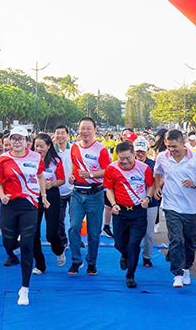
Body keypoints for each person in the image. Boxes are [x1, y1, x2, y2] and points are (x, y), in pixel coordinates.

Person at [0, 126, 49, 306]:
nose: (17, 142)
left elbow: (40, 176)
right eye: (14, 138)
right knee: (8, 243)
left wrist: (44, 196)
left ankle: (24, 289)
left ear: (27, 141)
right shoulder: (2, 159)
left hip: (30, 205)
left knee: (27, 244)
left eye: (21, 138)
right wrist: (2, 196)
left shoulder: (35, 157)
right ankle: (14, 242)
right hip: (9, 204)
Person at [154, 129, 196, 288]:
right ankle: (178, 273)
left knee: (190, 241)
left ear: (183, 142)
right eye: (168, 147)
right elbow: (157, 173)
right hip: (170, 205)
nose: (172, 150)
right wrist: (156, 187)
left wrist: (194, 184)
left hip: (191, 207)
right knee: (176, 239)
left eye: (174, 146)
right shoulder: (162, 157)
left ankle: (187, 268)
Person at [104, 141, 154, 288]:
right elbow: (109, 189)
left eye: (128, 158)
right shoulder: (111, 169)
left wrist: (147, 198)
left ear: (134, 154)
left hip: (138, 212)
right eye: (121, 159)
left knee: (134, 244)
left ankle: (130, 275)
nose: (125, 162)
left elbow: (150, 186)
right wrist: (113, 204)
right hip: (120, 211)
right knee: (119, 244)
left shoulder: (144, 168)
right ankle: (124, 255)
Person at [68, 117, 111, 275]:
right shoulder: (74, 147)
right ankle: (75, 260)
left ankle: (91, 262)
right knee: (73, 228)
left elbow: (108, 170)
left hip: (95, 194)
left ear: (94, 130)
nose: (84, 131)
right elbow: (74, 163)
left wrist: (90, 174)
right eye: (82, 128)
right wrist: (71, 175)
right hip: (77, 194)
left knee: (94, 232)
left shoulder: (101, 149)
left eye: (88, 128)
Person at [31, 133, 66, 274]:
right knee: (33, 233)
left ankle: (59, 250)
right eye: (36, 146)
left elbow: (62, 180)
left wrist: (52, 183)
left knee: (51, 234)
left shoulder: (56, 161)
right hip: (34, 195)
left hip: (51, 195)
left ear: (49, 146)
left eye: (42, 146)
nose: (38, 149)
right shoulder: (30, 159)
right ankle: (40, 264)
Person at [135, 138, 159, 268]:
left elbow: (160, 179)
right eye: (137, 151)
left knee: (149, 232)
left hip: (150, 201)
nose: (140, 154)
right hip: (133, 201)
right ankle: (130, 254)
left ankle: (146, 257)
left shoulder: (153, 164)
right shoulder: (129, 163)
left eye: (142, 151)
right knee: (133, 231)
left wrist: (156, 187)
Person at [53, 125, 73, 250]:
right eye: (57, 133)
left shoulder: (74, 149)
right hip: (57, 190)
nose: (60, 136)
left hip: (73, 189)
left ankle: (74, 240)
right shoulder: (51, 151)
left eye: (62, 133)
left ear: (67, 135)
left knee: (75, 218)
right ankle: (63, 240)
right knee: (59, 218)